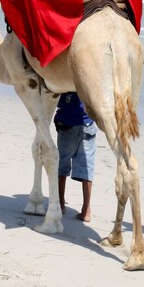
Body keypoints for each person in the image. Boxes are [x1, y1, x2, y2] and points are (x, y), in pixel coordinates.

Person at [54, 92, 96, 221]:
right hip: (88, 125)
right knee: (87, 168)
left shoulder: (68, 85)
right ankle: (86, 210)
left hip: (69, 125)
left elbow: (58, 102)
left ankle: (60, 204)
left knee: (61, 166)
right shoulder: (88, 84)